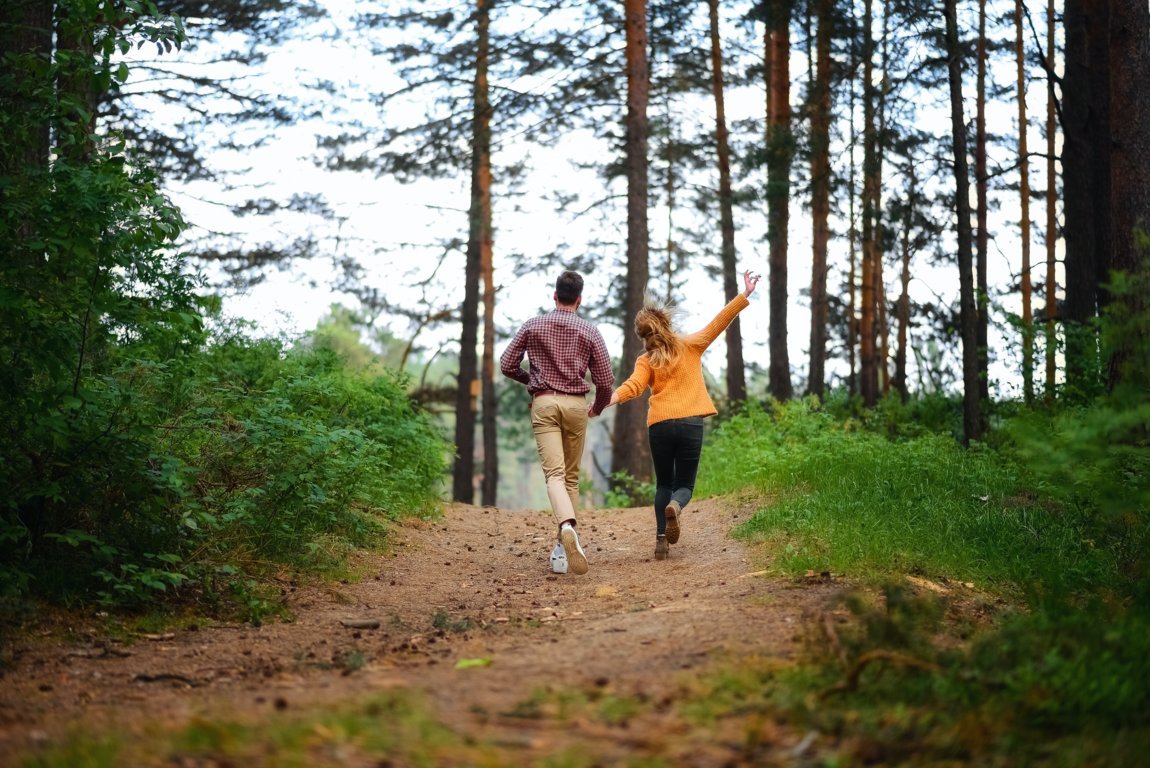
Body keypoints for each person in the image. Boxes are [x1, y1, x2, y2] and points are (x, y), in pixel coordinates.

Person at [600, 270, 761, 560]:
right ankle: (676, 505)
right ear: (666, 324)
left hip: (660, 425)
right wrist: (744, 294)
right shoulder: (691, 345)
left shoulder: (645, 360)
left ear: (643, 335)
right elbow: (718, 323)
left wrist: (606, 400)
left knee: (663, 483)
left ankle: (661, 540)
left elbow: (634, 387)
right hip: (690, 423)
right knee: (684, 485)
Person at [500, 270, 615, 575]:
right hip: (576, 406)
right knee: (571, 479)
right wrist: (598, 407)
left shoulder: (533, 324)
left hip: (545, 402)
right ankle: (562, 549)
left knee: (554, 475)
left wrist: (532, 381)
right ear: (579, 299)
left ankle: (566, 527)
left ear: (555, 296)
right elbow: (605, 381)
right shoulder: (591, 332)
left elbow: (506, 363)